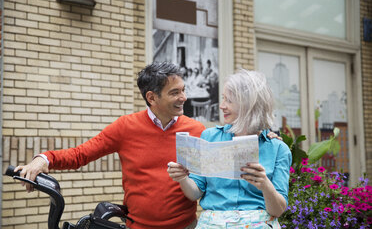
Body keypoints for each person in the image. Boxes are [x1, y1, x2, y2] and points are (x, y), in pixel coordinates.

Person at [14, 62, 206, 229]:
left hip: (187, 227)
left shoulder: (196, 130)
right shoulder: (125, 127)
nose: (184, 97)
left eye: (183, 90)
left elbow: (213, 175)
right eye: (175, 92)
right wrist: (44, 159)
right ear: (152, 98)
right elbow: (81, 154)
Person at [167, 69, 292, 228]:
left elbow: (278, 210)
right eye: (223, 99)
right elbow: (194, 193)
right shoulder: (209, 137)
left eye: (229, 101)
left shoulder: (278, 148)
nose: (222, 106)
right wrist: (182, 178)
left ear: (249, 104)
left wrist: (265, 184)